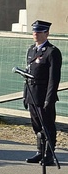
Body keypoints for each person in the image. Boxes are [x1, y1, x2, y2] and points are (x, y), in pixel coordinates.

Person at [24, 20, 62, 165]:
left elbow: (54, 79)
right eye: (34, 31)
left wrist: (49, 98)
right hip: (32, 94)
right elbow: (27, 75)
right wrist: (25, 95)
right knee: (37, 126)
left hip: (43, 95)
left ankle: (49, 155)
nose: (35, 34)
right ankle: (39, 152)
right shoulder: (31, 50)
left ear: (47, 33)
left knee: (47, 126)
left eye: (39, 31)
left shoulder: (52, 52)